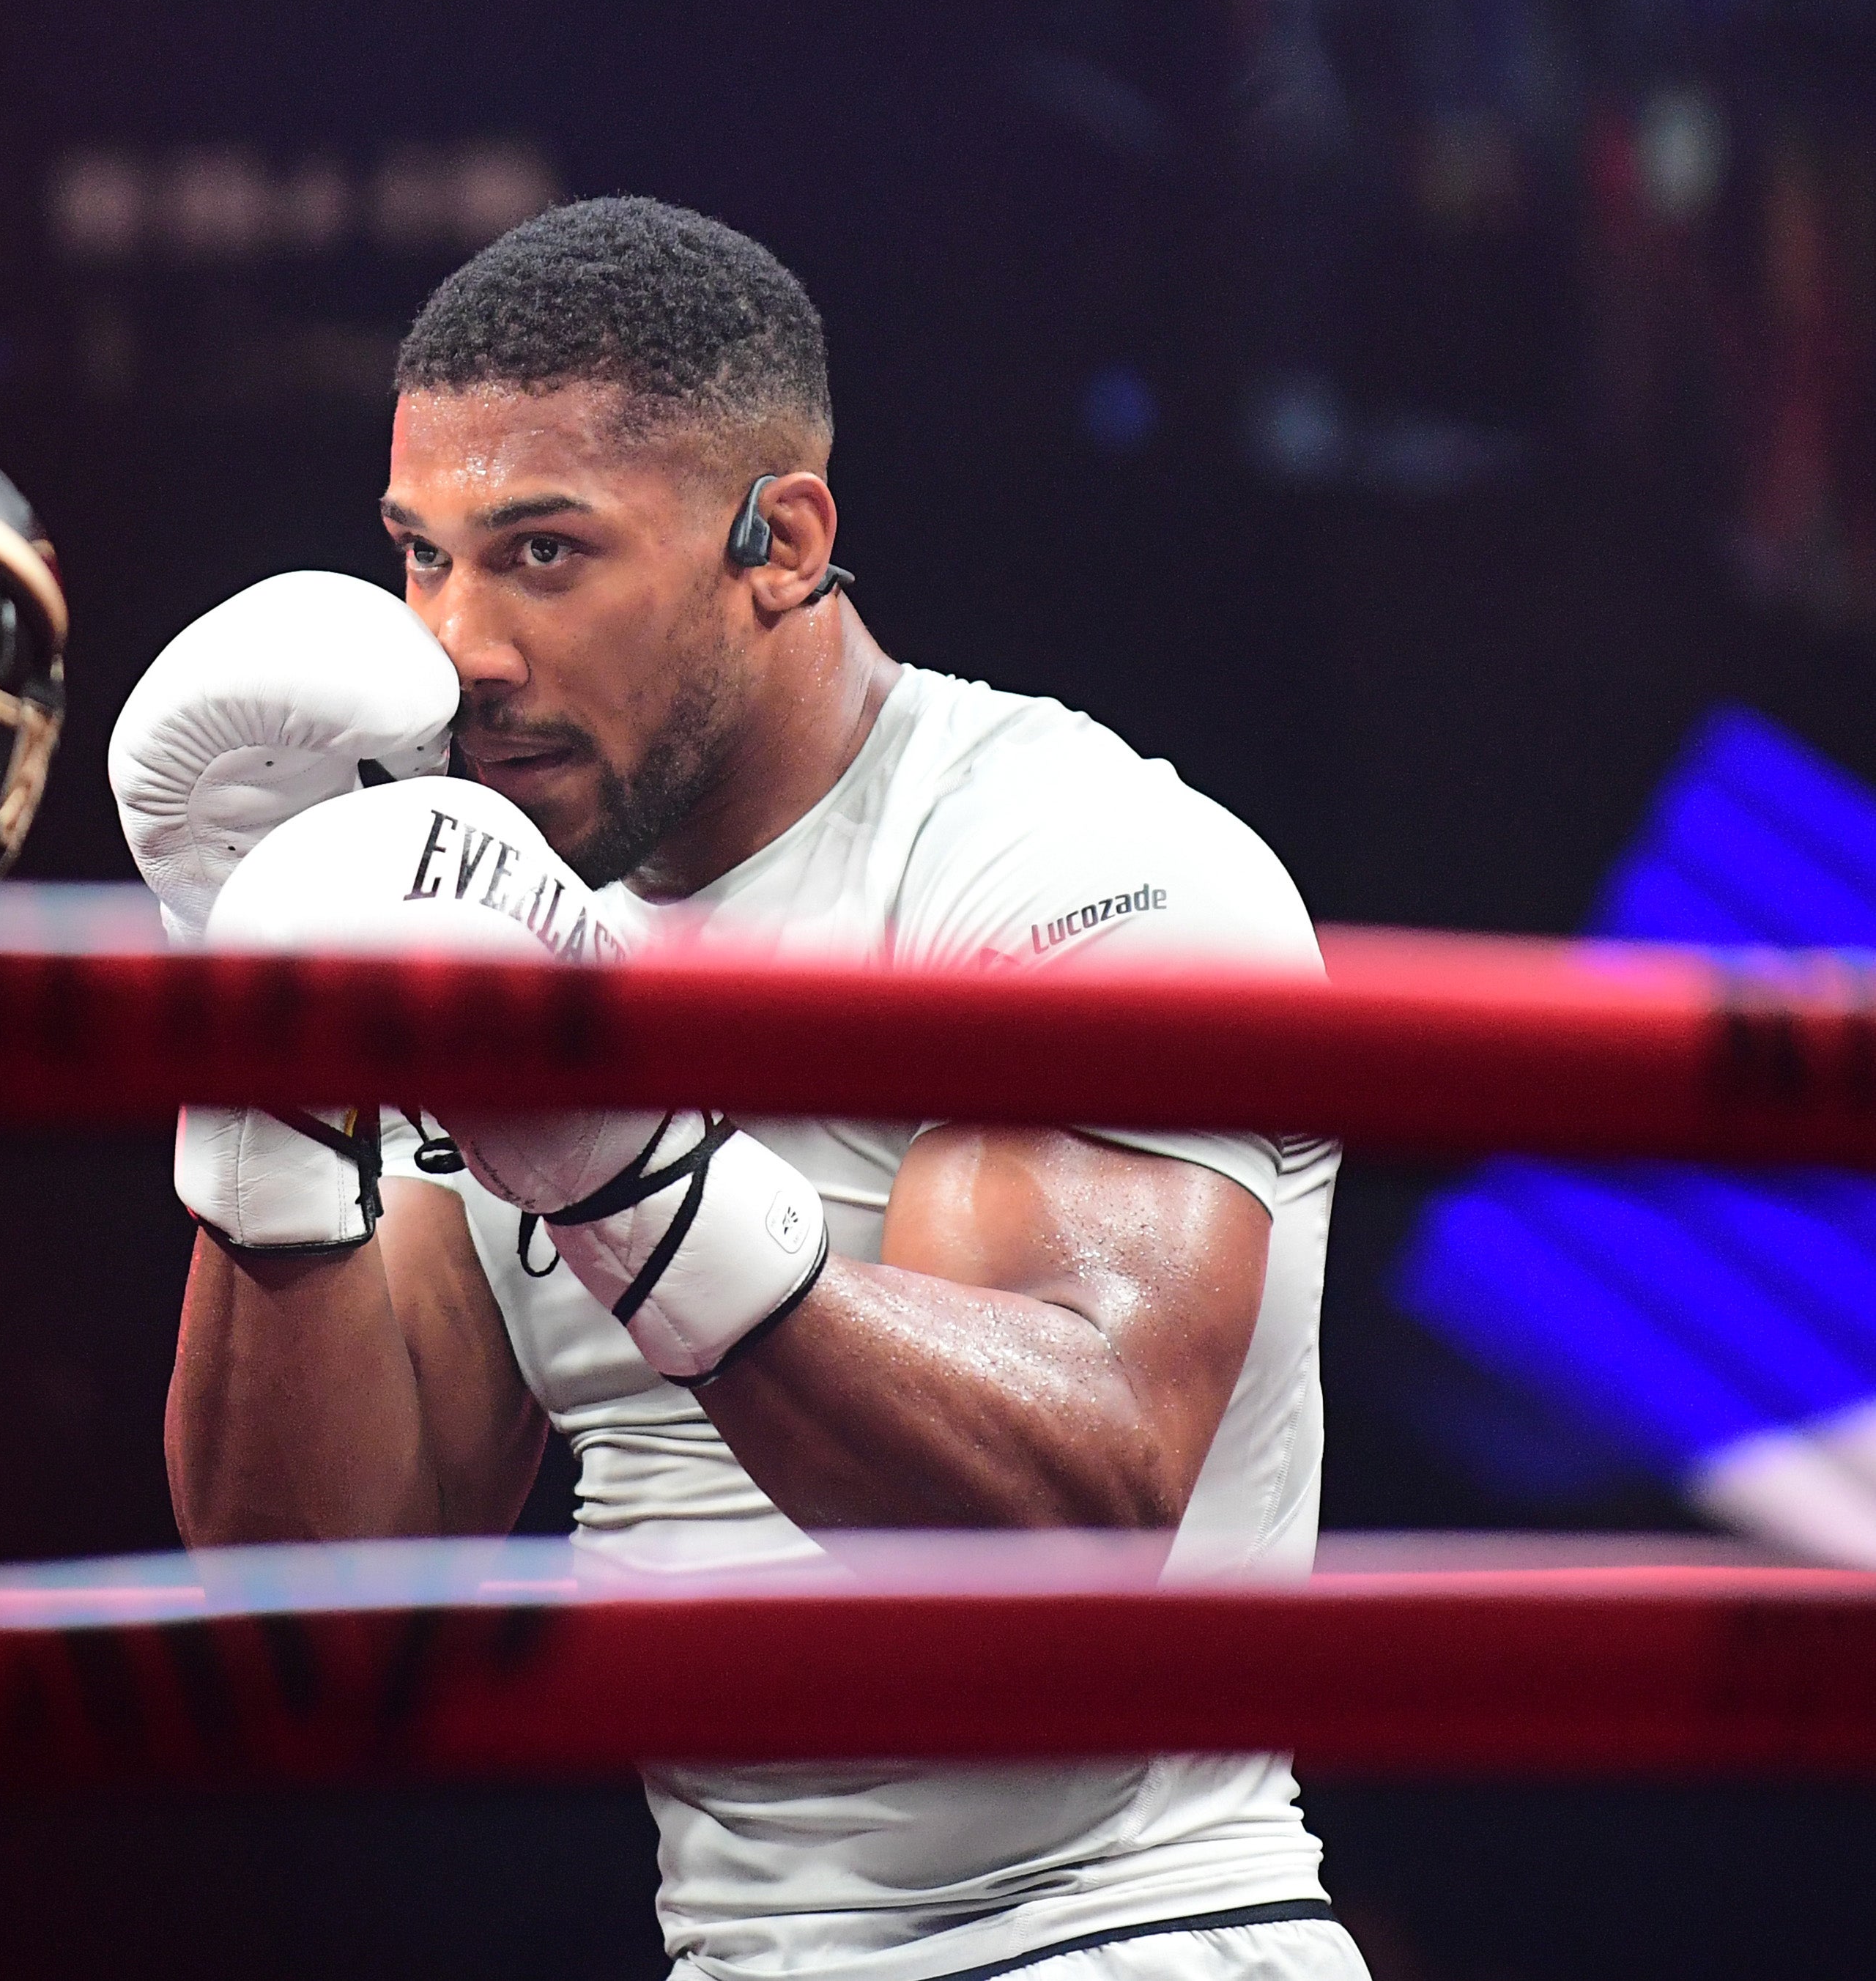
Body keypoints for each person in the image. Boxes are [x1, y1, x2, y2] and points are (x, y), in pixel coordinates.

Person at [119, 197, 1362, 1981]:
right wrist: (260, 1069)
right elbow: (320, 1605)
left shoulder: (1066, 861)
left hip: (1125, 1936)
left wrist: (633, 1175)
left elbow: (1070, 1523)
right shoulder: (488, 905)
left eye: (542, 553)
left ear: (777, 540)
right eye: (421, 555)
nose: (456, 646)